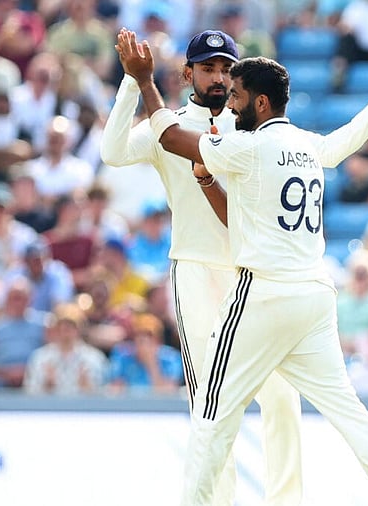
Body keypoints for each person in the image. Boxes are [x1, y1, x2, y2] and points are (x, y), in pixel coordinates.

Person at [115, 28, 368, 505]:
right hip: (315, 297)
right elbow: (341, 144)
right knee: (352, 416)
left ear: (259, 104)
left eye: (236, 95)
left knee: (211, 416)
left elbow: (174, 136)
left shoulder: (245, 147)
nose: (229, 103)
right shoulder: (305, 144)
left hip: (259, 295)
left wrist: (143, 81)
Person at [100, 29, 304, 505]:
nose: (217, 78)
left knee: (281, 395)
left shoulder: (251, 127)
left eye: (225, 70)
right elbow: (112, 153)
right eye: (207, 68)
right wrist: (134, 81)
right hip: (195, 270)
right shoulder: (164, 122)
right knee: (213, 405)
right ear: (186, 73)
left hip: (254, 273)